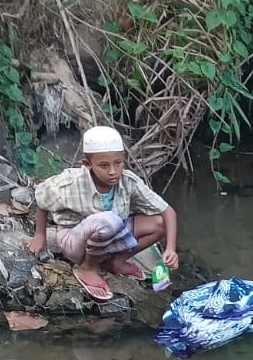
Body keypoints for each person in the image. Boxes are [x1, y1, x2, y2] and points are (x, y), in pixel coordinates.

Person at [27, 126, 179, 301]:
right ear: (88, 165)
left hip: (110, 236)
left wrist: (171, 249)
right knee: (108, 221)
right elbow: (41, 198)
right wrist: (40, 235)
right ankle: (87, 268)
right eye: (104, 166)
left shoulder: (128, 181)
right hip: (75, 240)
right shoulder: (70, 183)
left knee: (159, 223)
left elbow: (168, 212)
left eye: (118, 163)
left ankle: (116, 262)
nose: (113, 171)